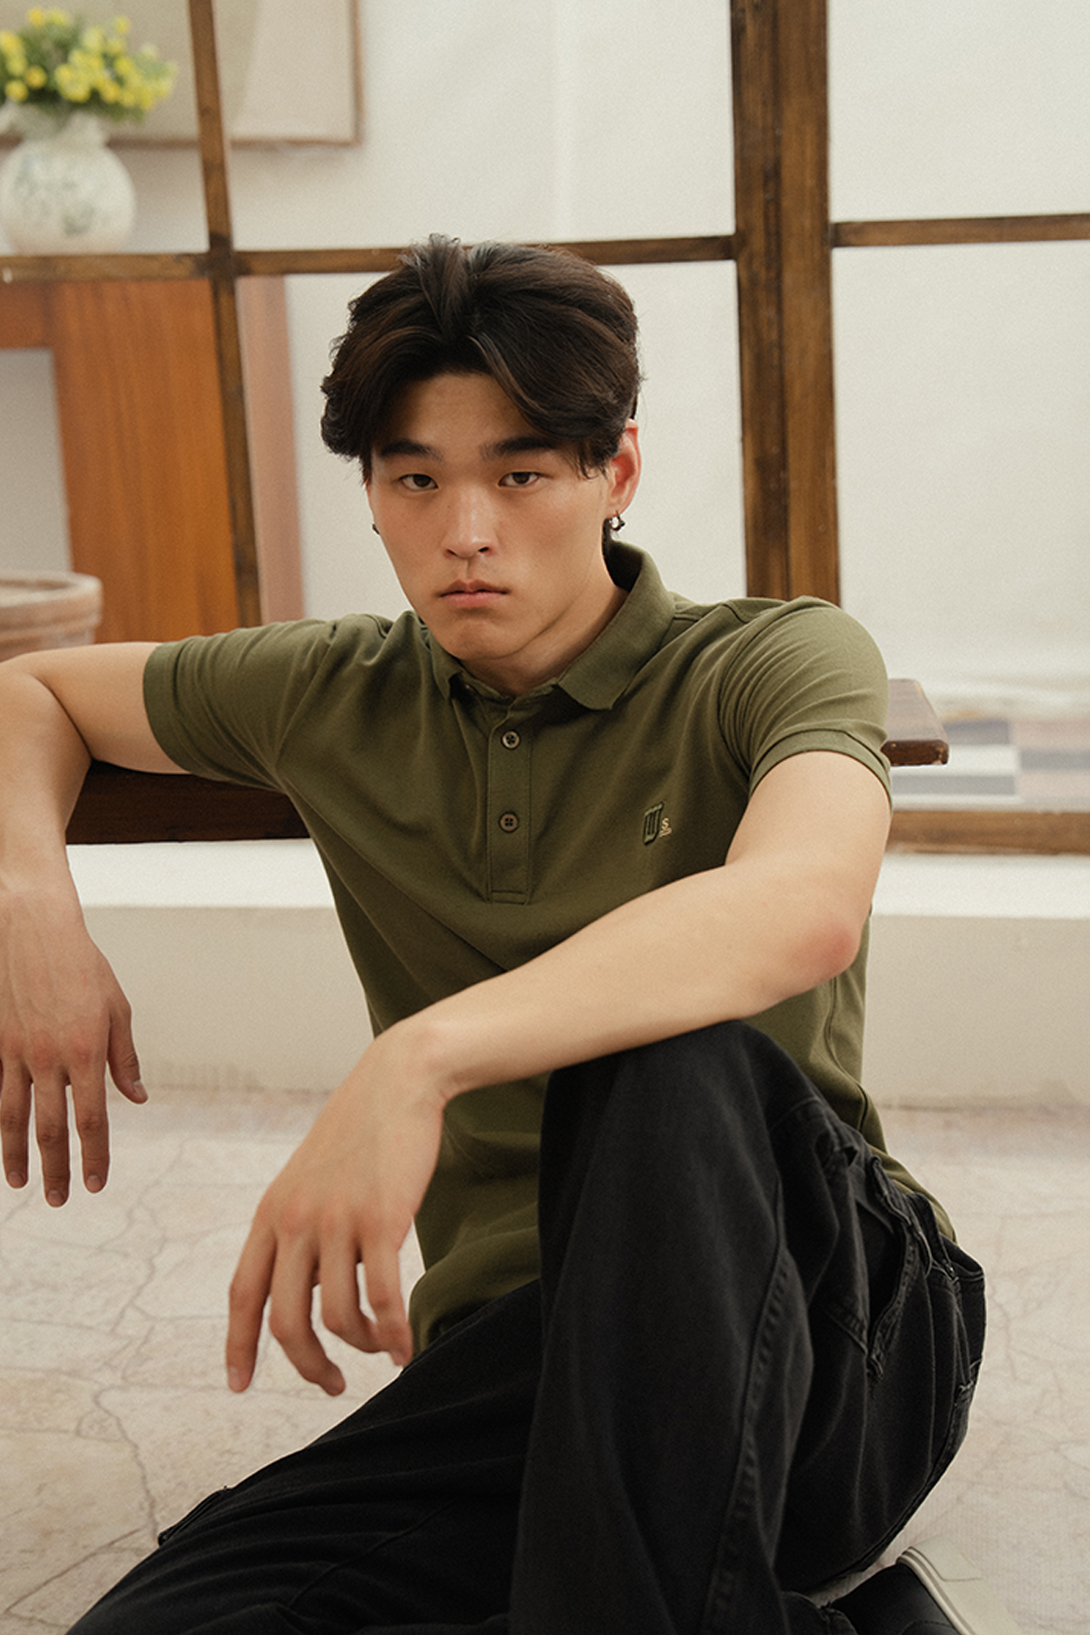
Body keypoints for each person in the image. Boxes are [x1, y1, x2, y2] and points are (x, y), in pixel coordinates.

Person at [0, 235, 1014, 1635]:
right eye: (414, 478)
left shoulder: (769, 659)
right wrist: (31, 909)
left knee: (664, 1051)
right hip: (526, 1364)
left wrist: (417, 1059)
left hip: (834, 1337)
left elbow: (802, 906)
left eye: (521, 474)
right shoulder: (330, 691)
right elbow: (33, 694)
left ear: (617, 471)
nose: (464, 529)